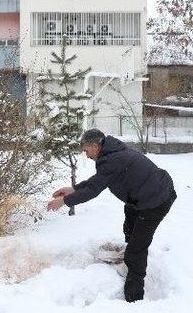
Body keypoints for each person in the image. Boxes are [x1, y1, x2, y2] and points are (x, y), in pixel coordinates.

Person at [47, 129, 176, 302]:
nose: (86, 155)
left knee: (136, 250)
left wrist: (65, 201)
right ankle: (129, 256)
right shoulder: (112, 153)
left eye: (86, 150)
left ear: (95, 145)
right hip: (146, 195)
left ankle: (134, 297)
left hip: (155, 201)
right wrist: (75, 189)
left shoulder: (112, 159)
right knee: (130, 226)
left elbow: (94, 189)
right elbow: (99, 179)